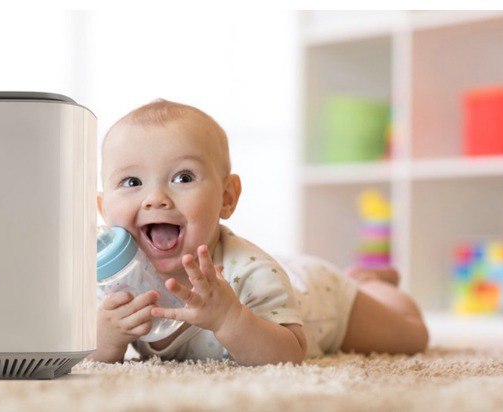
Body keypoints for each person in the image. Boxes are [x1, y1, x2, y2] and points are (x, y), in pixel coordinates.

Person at [86, 99, 428, 366]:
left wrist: (230, 319)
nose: (156, 198)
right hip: (288, 275)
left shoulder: (249, 272)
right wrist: (107, 336)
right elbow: (91, 355)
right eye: (131, 182)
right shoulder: (114, 280)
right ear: (103, 208)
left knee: (411, 336)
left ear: (227, 197)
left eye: (183, 177)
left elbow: (289, 354)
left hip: (319, 298)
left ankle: (368, 283)